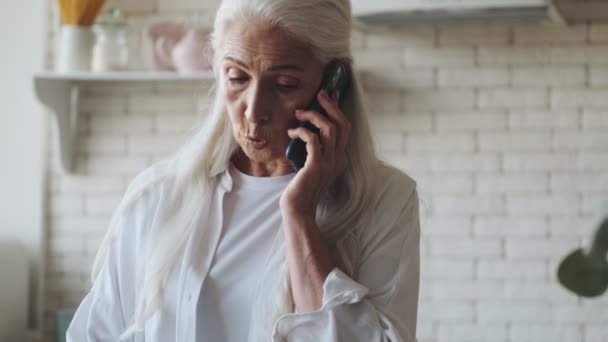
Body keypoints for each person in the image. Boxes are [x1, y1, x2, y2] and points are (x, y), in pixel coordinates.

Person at [66, 0, 421, 341]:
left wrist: (299, 216)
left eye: (284, 85)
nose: (253, 111)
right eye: (236, 77)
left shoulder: (386, 201)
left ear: (333, 84)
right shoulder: (157, 196)